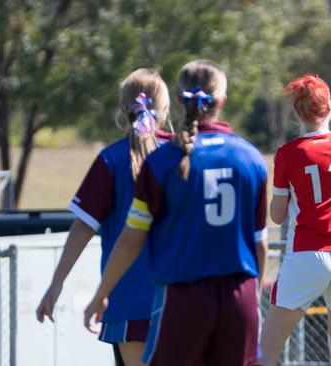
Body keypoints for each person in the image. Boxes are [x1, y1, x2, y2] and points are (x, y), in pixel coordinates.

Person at [83, 59, 269, 366]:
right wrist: (254, 296)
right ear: (221, 101)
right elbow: (260, 243)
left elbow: (131, 240)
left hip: (185, 298)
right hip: (240, 296)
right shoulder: (250, 158)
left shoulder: (162, 162)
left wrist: (102, 293)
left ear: (181, 101)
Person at [36, 68, 172, 366]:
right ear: (166, 109)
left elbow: (84, 226)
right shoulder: (186, 155)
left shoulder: (111, 159)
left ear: (123, 108)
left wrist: (56, 283)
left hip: (127, 299)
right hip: (184, 300)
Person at [259, 74, 331, 366]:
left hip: (307, 255)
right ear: (330, 106)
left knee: (265, 352)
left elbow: (277, 214)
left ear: (298, 113)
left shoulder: (288, 154)